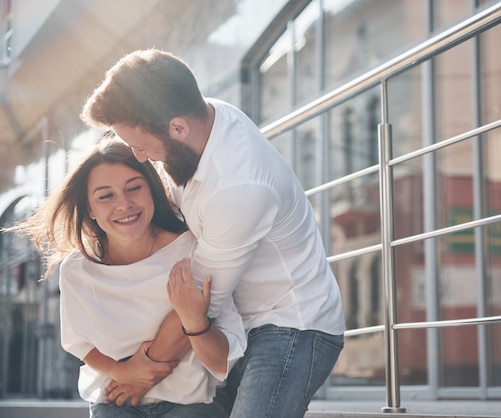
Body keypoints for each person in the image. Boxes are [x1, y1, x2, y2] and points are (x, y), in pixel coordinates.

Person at [81, 48, 346, 418]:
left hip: (290, 326)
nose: (140, 157)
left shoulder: (238, 188)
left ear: (177, 128)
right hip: (232, 326)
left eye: (142, 146)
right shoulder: (201, 120)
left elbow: (201, 295)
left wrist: (141, 373)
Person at [6, 136, 245, 418]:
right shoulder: (76, 270)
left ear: (152, 190)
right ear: (90, 209)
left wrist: (147, 373)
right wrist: (124, 372)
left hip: (190, 403)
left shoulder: (193, 251)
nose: (124, 204)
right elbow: (81, 344)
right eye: (106, 196)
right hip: (114, 402)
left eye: (134, 188)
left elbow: (221, 354)